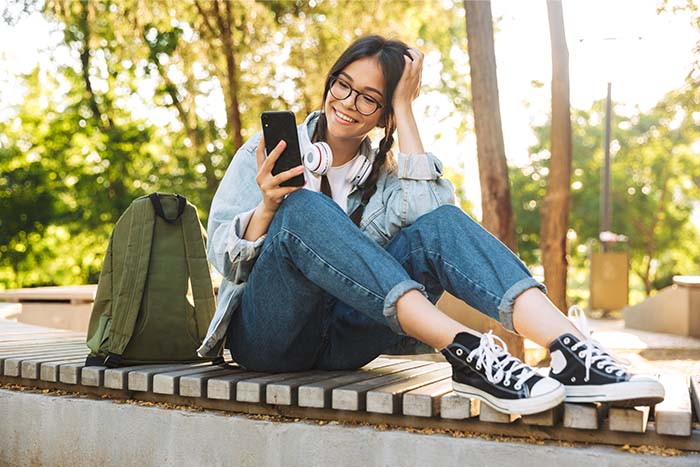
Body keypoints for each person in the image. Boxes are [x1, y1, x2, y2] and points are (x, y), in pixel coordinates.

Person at [198, 35, 664, 415]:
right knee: (302, 208)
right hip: (270, 339)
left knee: (440, 221)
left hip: (345, 337)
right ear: (331, 82)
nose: (349, 102)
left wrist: (406, 107)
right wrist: (266, 209)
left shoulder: (384, 178)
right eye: (343, 85)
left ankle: (574, 352)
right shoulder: (269, 152)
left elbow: (432, 214)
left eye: (370, 99)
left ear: (382, 116)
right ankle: (466, 351)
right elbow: (222, 257)